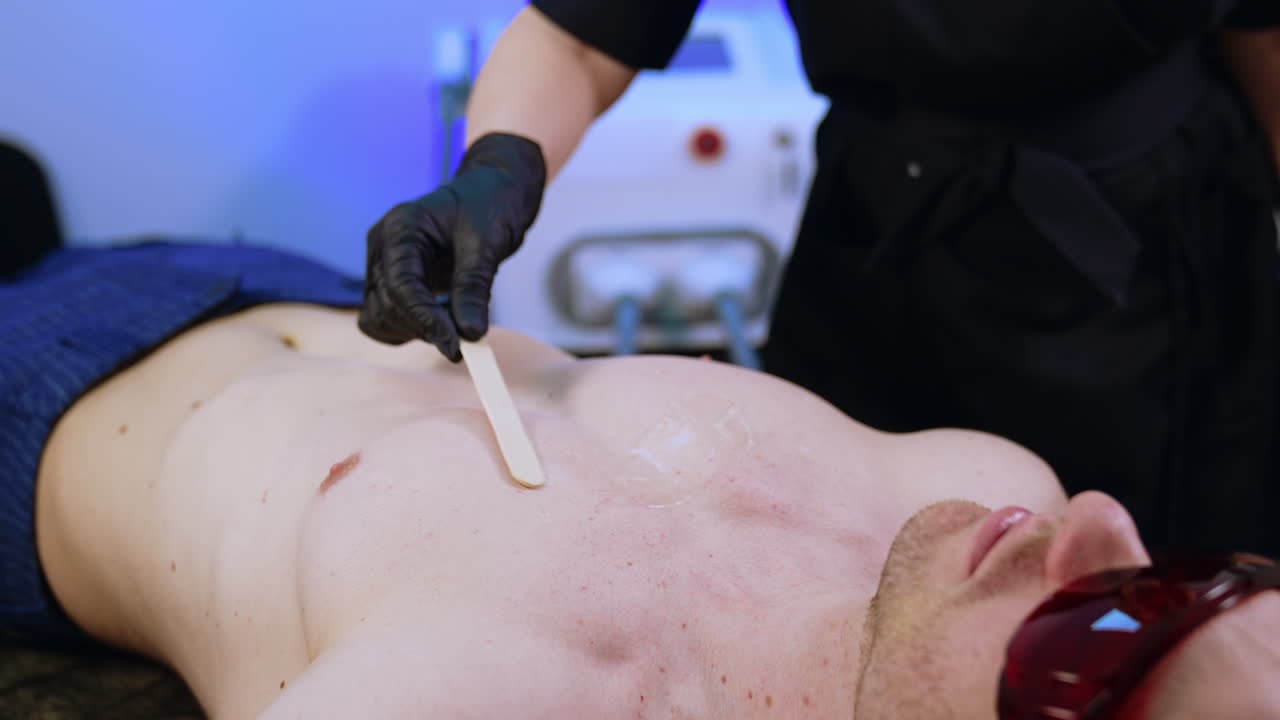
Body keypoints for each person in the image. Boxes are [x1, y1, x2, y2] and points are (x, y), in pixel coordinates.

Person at [3, 241, 1277, 718]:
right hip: (292, 277)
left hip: (42, 411)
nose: (1098, 526)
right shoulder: (965, 491)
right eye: (1185, 579)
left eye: (1103, 638)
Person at [359, 3, 1280, 557]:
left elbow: (1261, 33)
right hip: (878, 252)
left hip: (1152, 273)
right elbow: (583, 36)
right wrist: (496, 172)